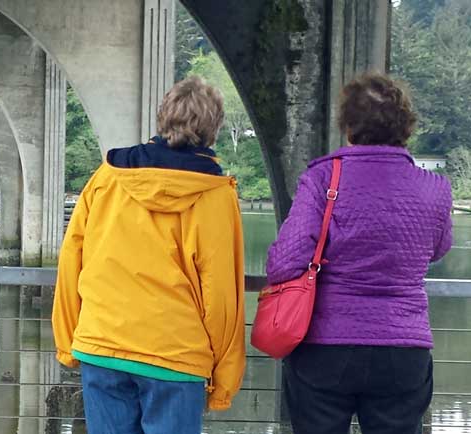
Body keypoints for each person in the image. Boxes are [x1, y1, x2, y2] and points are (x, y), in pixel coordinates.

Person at [52, 76, 246, 434]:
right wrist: (224, 377)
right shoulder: (215, 195)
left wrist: (68, 340)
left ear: (162, 118)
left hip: (103, 344)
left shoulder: (108, 176)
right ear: (214, 129)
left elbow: (72, 256)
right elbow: (220, 294)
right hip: (175, 355)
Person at [266, 72, 453, 434]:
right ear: (406, 127)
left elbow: (284, 263)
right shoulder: (434, 188)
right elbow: (439, 248)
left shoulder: (324, 178)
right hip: (403, 348)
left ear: (348, 126)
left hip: (326, 345)